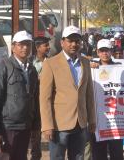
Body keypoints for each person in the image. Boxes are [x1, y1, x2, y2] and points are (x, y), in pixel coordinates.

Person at [40, 25, 96, 160]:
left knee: (78, 157)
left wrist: (92, 120)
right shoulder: (51, 63)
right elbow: (45, 98)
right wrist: (47, 125)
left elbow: (88, 94)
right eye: (70, 41)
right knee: (57, 157)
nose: (74, 44)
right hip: (60, 124)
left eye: (77, 41)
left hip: (81, 122)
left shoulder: (85, 63)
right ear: (62, 42)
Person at [0, 31, 40, 160]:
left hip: (25, 127)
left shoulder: (32, 70)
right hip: (6, 128)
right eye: (21, 45)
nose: (25, 48)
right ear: (13, 47)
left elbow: (35, 100)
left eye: (28, 44)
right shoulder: (2, 68)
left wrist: (36, 125)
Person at [89, 39, 124, 160]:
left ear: (111, 52)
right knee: (98, 153)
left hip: (116, 119)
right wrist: (89, 67)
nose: (104, 53)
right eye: (102, 51)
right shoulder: (91, 67)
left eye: (107, 51)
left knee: (117, 153)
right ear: (97, 52)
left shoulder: (120, 67)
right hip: (98, 118)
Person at [30, 36, 51, 160]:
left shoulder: (52, 61)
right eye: (45, 45)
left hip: (48, 99)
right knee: (35, 129)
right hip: (34, 100)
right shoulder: (30, 62)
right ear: (38, 47)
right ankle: (35, 154)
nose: (48, 47)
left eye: (48, 45)